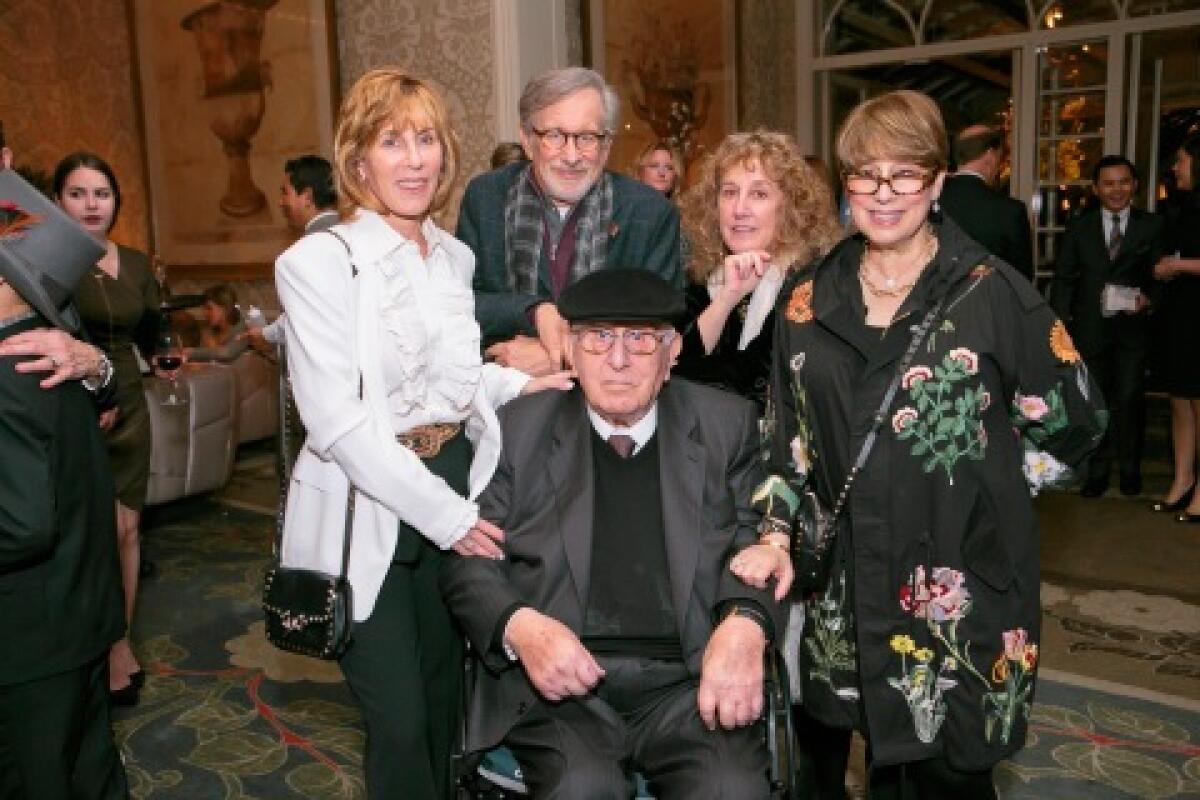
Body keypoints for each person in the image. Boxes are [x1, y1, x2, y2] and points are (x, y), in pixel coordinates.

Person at [743, 90, 1104, 799]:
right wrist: (775, 534)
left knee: (946, 776)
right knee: (835, 764)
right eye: (864, 174)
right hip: (843, 591)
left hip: (957, 590)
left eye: (905, 173)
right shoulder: (808, 301)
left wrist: (988, 481)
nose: (884, 194)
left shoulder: (991, 294)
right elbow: (786, 443)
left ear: (938, 181)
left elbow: (1078, 420)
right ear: (843, 183)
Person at [275, 67, 570, 800]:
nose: (413, 159)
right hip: (370, 506)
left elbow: (456, 380)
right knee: (400, 723)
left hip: (455, 477)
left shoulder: (455, 258)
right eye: (391, 141)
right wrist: (451, 518)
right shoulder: (316, 263)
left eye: (427, 140)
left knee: (446, 709)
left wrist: (524, 384)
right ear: (357, 159)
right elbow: (337, 419)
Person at [441, 268, 785, 799]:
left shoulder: (726, 425)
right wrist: (521, 626)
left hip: (689, 684)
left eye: (641, 340)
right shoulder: (518, 429)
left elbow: (758, 544)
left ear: (672, 355)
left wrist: (745, 623)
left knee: (732, 791)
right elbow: (469, 560)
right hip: (560, 689)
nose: (618, 360)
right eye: (599, 338)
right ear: (571, 354)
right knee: (581, 789)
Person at [0, 168, 127, 799]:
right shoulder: (54, 350)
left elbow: (22, 525)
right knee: (91, 771)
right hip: (80, 610)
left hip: (27, 634)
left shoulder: (12, 368)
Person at [456, 67, 682, 375]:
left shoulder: (650, 214)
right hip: (506, 402)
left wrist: (560, 358)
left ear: (607, 146)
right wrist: (534, 312)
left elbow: (657, 332)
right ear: (526, 139)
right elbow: (459, 302)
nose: (572, 155)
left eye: (587, 137)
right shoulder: (487, 197)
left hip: (610, 410)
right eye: (555, 136)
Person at [54, 150, 164, 704]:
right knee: (85, 536)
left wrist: (166, 349)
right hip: (75, 404)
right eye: (78, 193)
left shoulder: (138, 262)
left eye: (101, 193)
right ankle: (83, 647)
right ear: (57, 201)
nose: (92, 204)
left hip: (131, 403)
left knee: (127, 531)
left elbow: (152, 327)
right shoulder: (48, 261)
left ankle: (120, 642)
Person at [675, 131, 840, 410]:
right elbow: (673, 373)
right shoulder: (704, 279)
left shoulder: (812, 284)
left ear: (790, 207)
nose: (739, 209)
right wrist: (726, 299)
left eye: (759, 194)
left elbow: (752, 390)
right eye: (729, 193)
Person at [1050, 155, 1164, 498]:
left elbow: (1161, 276)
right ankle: (1096, 470)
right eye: (1109, 183)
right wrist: (1059, 327)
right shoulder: (1079, 227)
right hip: (1089, 330)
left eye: (1124, 182)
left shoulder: (1152, 226)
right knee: (1094, 402)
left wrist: (1150, 300)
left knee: (1130, 398)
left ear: (1135, 185)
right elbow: (1064, 279)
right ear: (1097, 189)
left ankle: (1130, 469)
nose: (1117, 190)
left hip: (1132, 330)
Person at [1154, 132, 1200, 522]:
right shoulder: (1182, 206)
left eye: (1182, 160)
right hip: (1182, 312)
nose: (1175, 167)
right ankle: (1182, 481)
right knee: (1179, 400)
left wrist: (1178, 266)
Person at [938, 124, 1034, 282]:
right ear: (990, 155)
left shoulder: (929, 202)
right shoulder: (1010, 211)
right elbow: (1021, 280)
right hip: (993, 303)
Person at [184, 284, 248, 363]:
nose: (204, 313)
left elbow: (227, 353)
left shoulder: (243, 327)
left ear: (225, 308)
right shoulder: (211, 329)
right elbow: (201, 361)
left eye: (209, 308)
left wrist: (191, 352)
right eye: (204, 308)